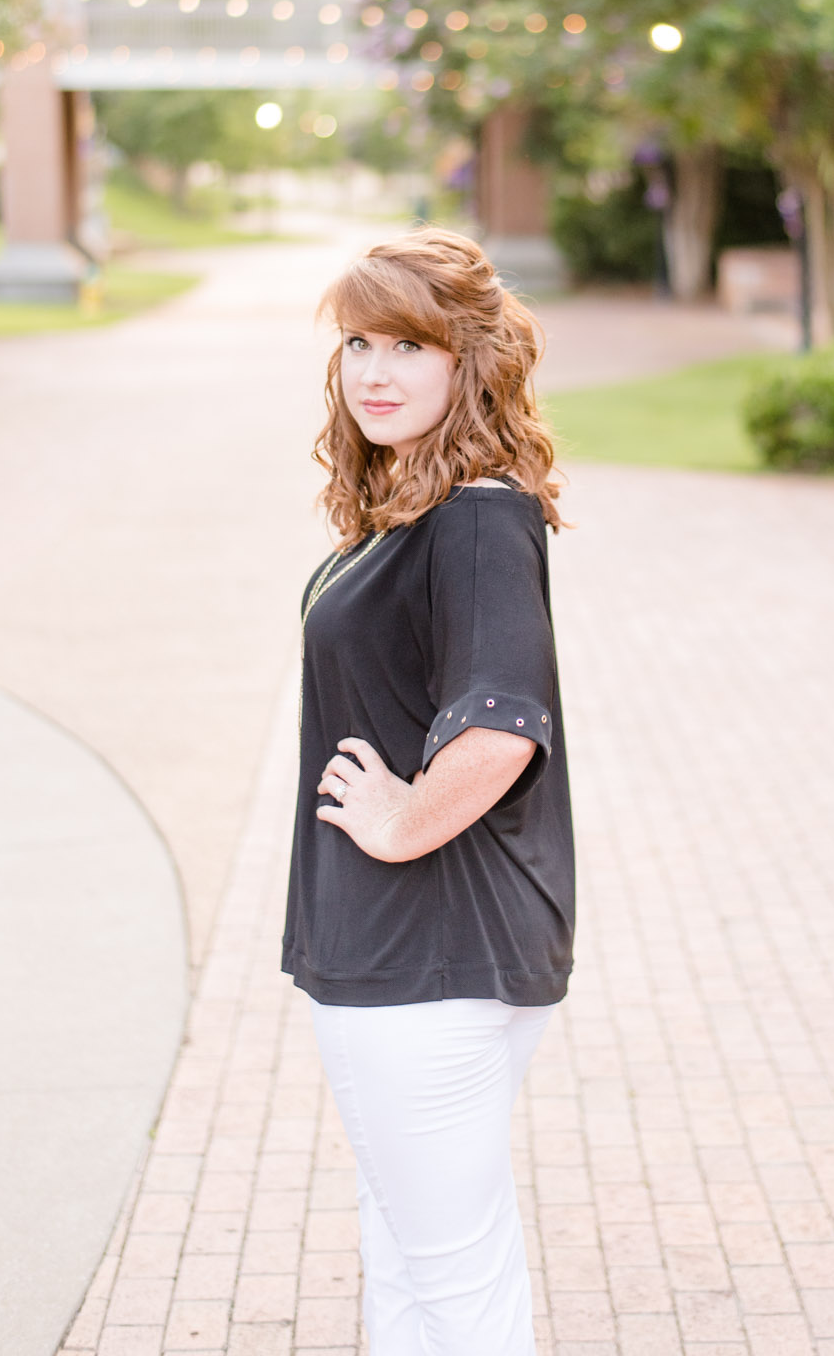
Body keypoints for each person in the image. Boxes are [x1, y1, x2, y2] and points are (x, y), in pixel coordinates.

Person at [282, 228, 575, 1356]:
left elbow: (500, 725)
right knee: (409, 1248)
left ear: (469, 362)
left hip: (428, 950)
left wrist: (401, 819)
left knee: (449, 1269)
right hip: (419, 950)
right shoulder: (419, 506)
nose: (373, 369)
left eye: (408, 343)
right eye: (358, 340)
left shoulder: (477, 516)